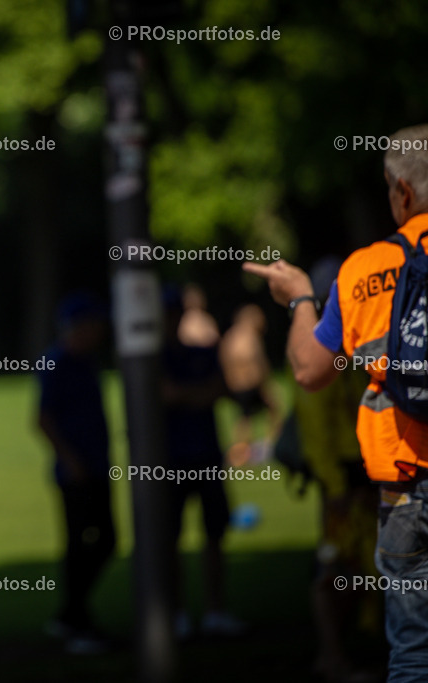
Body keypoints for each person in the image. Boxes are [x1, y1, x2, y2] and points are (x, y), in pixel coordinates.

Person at [244, 123, 428, 683]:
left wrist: (300, 297)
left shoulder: (364, 270)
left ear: (401, 192)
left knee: (414, 653)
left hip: (405, 492)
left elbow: (308, 370)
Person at [291, 258, 380, 683]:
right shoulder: (322, 349)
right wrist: (334, 484)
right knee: (334, 568)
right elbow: (315, 427)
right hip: (343, 475)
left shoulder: (356, 343)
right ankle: (332, 657)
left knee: (371, 562)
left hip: (367, 467)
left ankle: (358, 649)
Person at [161, 287, 246, 639]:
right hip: (170, 460)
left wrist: (186, 395)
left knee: (215, 536)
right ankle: (177, 614)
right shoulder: (153, 358)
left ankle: (215, 612)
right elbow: (168, 394)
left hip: (207, 455)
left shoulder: (204, 352)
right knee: (170, 540)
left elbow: (222, 389)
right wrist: (197, 394)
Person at [37, 293, 116, 655]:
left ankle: (71, 617)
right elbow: (43, 418)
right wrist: (70, 460)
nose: (100, 331)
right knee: (82, 546)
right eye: (94, 325)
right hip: (76, 472)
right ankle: (75, 622)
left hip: (98, 465)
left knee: (105, 541)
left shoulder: (88, 361)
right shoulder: (58, 362)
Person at [219, 304, 280, 466]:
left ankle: (241, 452)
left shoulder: (230, 336)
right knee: (270, 412)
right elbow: (258, 362)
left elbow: (224, 360)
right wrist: (265, 385)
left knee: (244, 418)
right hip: (251, 384)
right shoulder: (250, 336)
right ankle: (265, 447)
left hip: (235, 385)